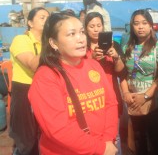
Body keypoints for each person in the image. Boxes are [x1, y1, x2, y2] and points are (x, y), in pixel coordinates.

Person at [28, 12, 119, 155]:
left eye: (82, 32)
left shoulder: (94, 66)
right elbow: (58, 129)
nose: (81, 39)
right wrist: (100, 148)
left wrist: (108, 140)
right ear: (53, 42)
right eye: (71, 34)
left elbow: (110, 104)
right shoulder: (46, 77)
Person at [121, 9, 158, 155]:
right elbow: (123, 75)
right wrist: (125, 92)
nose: (140, 27)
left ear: (151, 25)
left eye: (144, 23)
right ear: (132, 26)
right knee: (138, 138)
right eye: (136, 23)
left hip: (156, 103)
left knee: (155, 139)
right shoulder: (127, 48)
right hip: (134, 101)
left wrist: (146, 96)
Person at [84, 12, 127, 154]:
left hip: (111, 97)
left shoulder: (114, 45)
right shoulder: (82, 48)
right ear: (85, 28)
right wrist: (93, 59)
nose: (96, 29)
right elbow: (80, 74)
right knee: (92, 135)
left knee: (114, 136)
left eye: (98, 25)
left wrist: (116, 57)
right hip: (90, 99)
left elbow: (121, 72)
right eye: (92, 26)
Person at [9, 7, 49, 155]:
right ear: (30, 22)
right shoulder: (21, 40)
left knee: (43, 133)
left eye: (48, 17)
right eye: (42, 17)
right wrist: (49, 43)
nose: (46, 20)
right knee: (26, 139)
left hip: (44, 90)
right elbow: (33, 64)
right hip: (24, 91)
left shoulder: (48, 42)